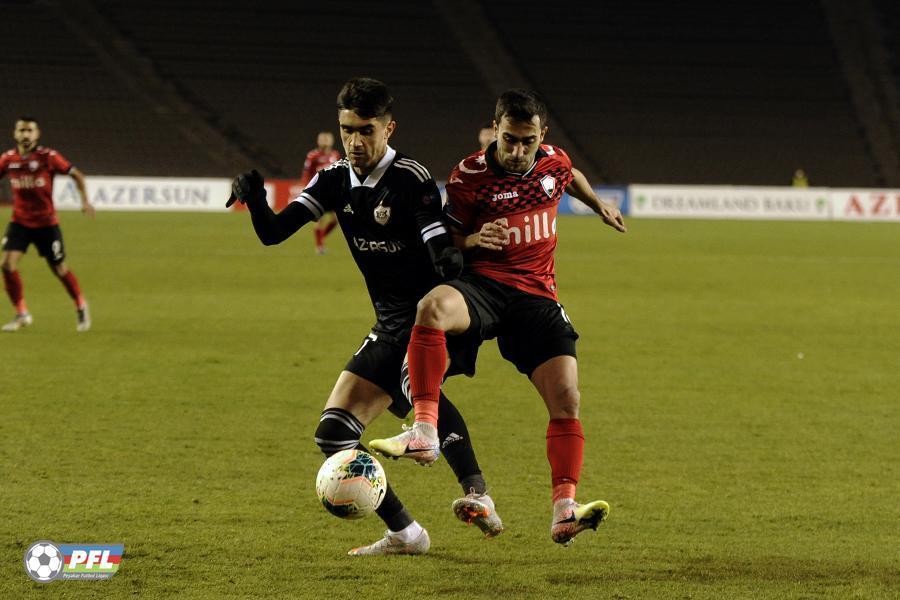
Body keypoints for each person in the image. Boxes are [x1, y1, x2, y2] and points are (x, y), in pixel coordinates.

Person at [227, 77, 503, 556]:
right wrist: (254, 198)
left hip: (432, 318)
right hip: (389, 323)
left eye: (366, 130)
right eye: (347, 130)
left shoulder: (410, 177)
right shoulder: (334, 179)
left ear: (388, 128)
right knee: (334, 434)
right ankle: (409, 532)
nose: (355, 141)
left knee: (413, 391)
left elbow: (438, 242)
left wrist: (450, 258)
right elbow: (273, 233)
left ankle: (474, 495)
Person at [371, 89, 627, 546]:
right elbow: (446, 241)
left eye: (528, 141)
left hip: (536, 296)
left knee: (567, 399)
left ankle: (565, 511)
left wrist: (598, 205)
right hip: (483, 287)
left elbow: (571, 176)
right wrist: (473, 241)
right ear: (495, 129)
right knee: (431, 308)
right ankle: (424, 431)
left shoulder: (554, 161)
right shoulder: (469, 175)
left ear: (542, 135)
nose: (518, 150)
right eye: (510, 139)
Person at [1, 117, 95, 332]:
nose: (25, 134)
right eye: (21, 130)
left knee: (59, 268)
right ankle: (22, 314)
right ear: (15, 134)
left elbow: (77, 175)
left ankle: (80, 304)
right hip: (20, 222)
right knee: (6, 264)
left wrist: (85, 201)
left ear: (37, 134)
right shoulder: (7, 159)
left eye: (29, 130)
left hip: (46, 224)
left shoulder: (48, 157)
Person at [301, 131, 341, 254]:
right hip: (318, 191)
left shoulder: (335, 155)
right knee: (319, 220)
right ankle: (319, 247)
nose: (325, 141)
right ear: (318, 141)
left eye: (327, 139)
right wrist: (307, 188)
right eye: (323, 139)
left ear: (331, 141)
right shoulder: (313, 156)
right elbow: (306, 173)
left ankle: (320, 239)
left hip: (332, 193)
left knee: (336, 220)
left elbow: (339, 172)